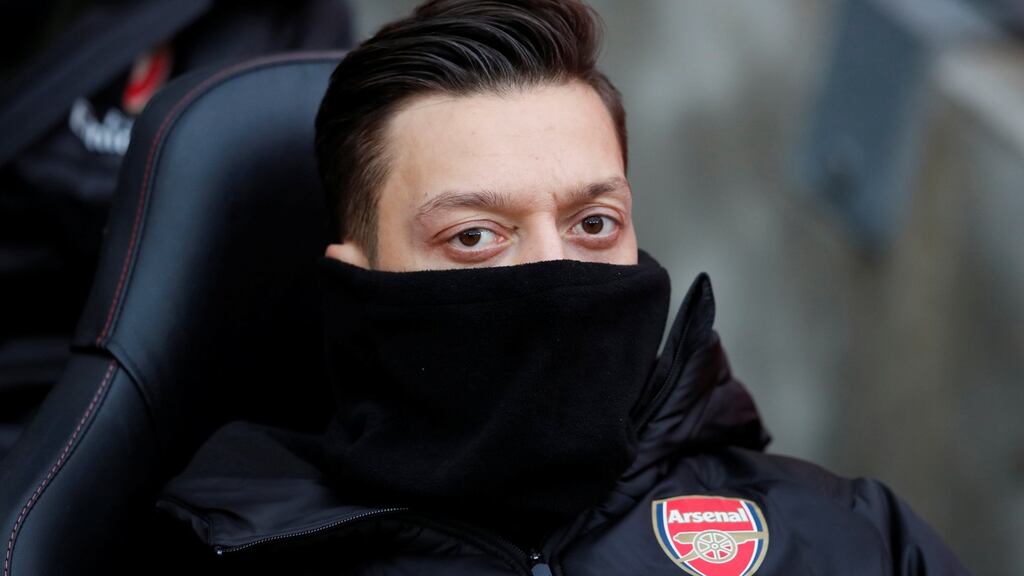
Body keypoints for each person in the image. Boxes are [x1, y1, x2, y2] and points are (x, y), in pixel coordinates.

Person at [157, 1, 969, 574]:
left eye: (592, 224)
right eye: (474, 236)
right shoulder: (230, 547)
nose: (555, 271)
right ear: (359, 281)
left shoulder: (848, 537)